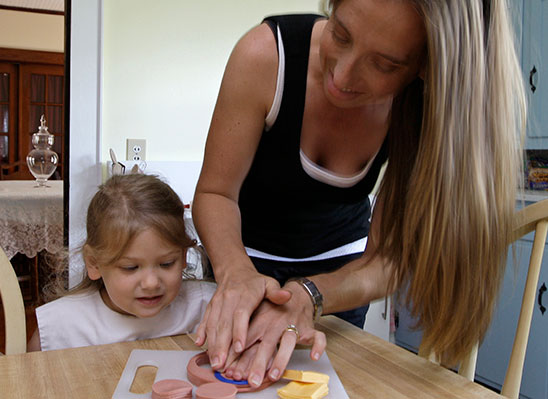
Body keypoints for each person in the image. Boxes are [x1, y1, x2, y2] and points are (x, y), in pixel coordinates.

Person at [192, 0, 526, 389]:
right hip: (245, 255)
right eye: (341, 33)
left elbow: (387, 259)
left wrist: (310, 295)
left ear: (424, 68)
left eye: (384, 64)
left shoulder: (424, 108)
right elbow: (216, 193)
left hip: (340, 276)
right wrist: (236, 274)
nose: (342, 76)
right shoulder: (265, 56)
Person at [0, 173, 216, 356]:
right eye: (131, 268)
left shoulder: (209, 306)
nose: (151, 282)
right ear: (94, 263)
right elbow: (12, 384)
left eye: (166, 263)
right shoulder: (60, 325)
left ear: (183, 256)